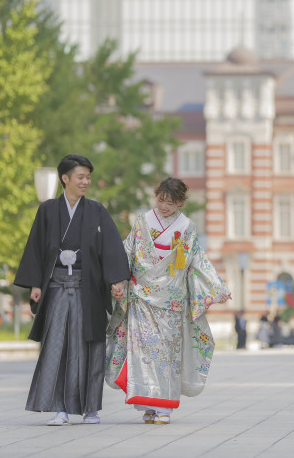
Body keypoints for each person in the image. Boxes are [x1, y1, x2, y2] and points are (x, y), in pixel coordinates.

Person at [14, 154, 130, 426]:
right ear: (65, 178)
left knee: (90, 346)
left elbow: (111, 247)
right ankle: (60, 409)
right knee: (56, 345)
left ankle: (91, 409)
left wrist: (116, 280)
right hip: (56, 287)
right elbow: (36, 248)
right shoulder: (48, 210)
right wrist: (35, 283)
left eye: (88, 177)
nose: (86, 181)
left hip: (86, 287)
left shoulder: (97, 211)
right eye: (80, 177)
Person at [105, 177, 231, 425]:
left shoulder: (187, 227)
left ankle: (165, 408)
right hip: (142, 297)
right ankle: (147, 405)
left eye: (171, 203)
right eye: (161, 200)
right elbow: (128, 251)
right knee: (143, 353)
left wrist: (218, 287)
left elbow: (197, 260)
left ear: (181, 203)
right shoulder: (143, 221)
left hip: (171, 302)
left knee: (167, 355)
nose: (164, 206)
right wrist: (116, 278)